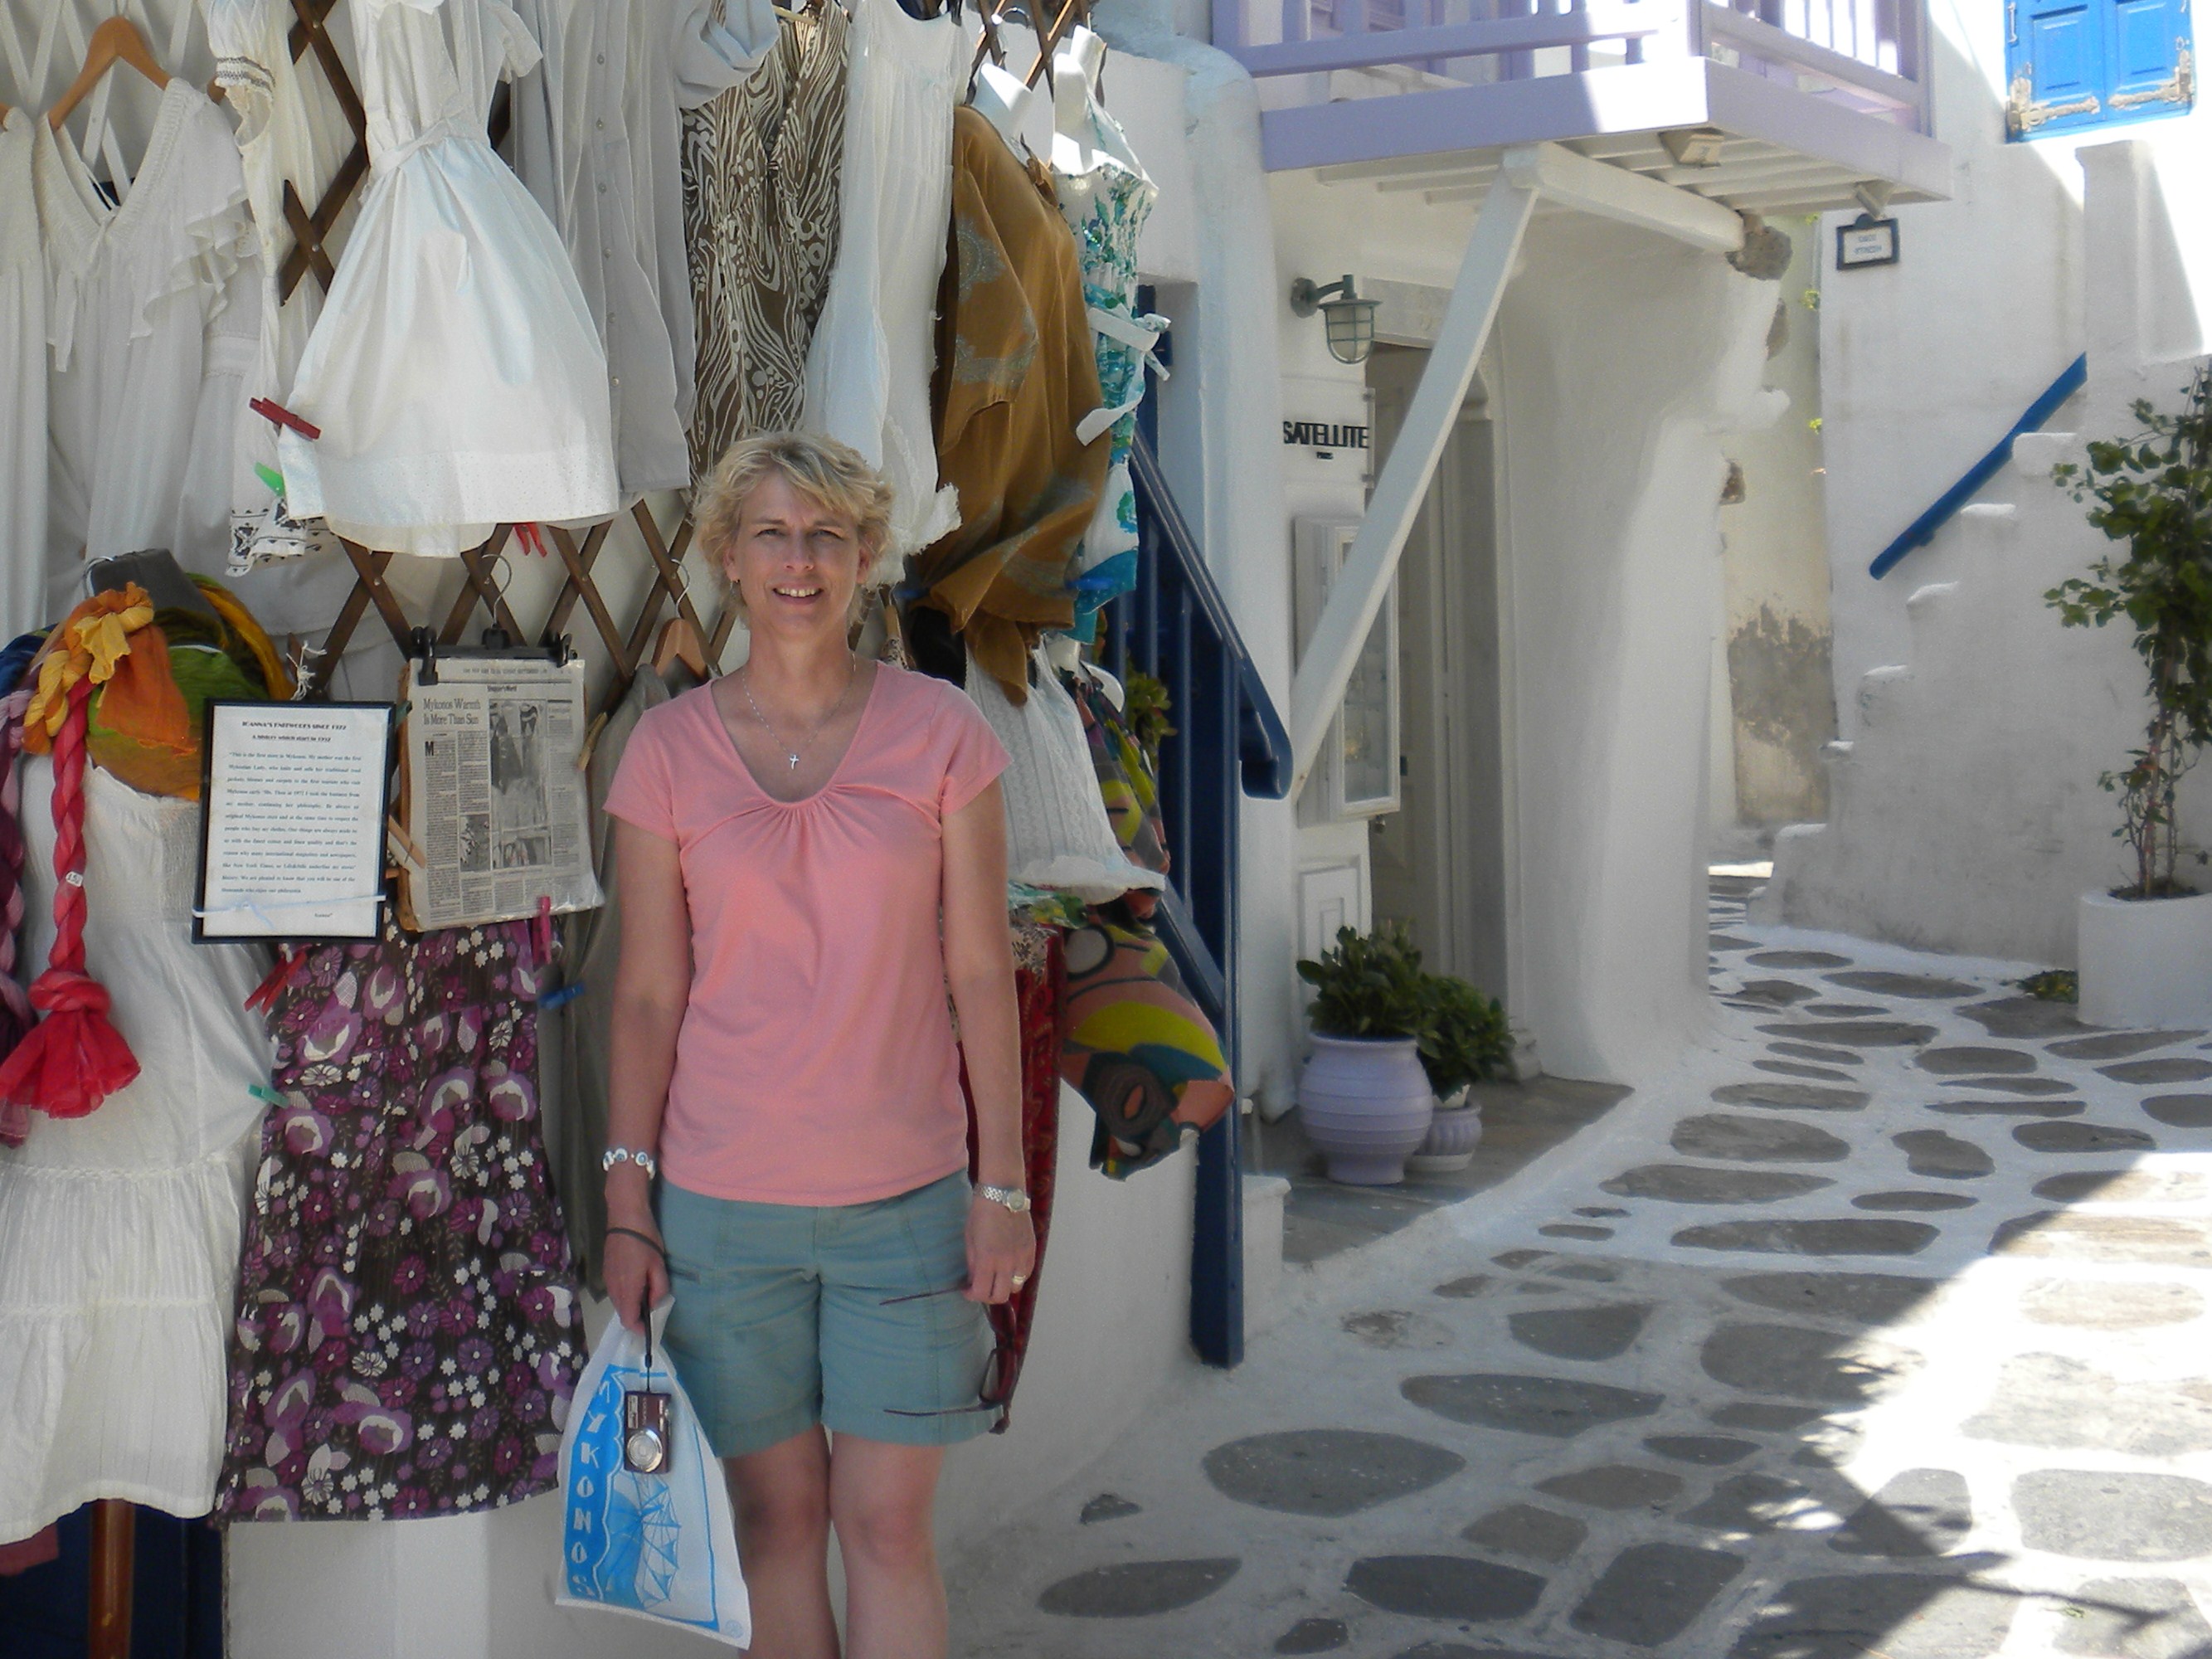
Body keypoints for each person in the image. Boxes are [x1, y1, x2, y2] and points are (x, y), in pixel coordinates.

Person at [600, 431, 1034, 1659]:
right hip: (721, 1214)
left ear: (866, 556)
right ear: (728, 558)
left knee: (885, 1528)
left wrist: (1003, 1187)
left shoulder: (944, 733)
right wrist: (628, 1201)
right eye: (774, 535)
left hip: (905, 1204)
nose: (800, 561)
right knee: (774, 1524)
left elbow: (979, 971)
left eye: (828, 535)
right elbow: (647, 994)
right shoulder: (666, 752)